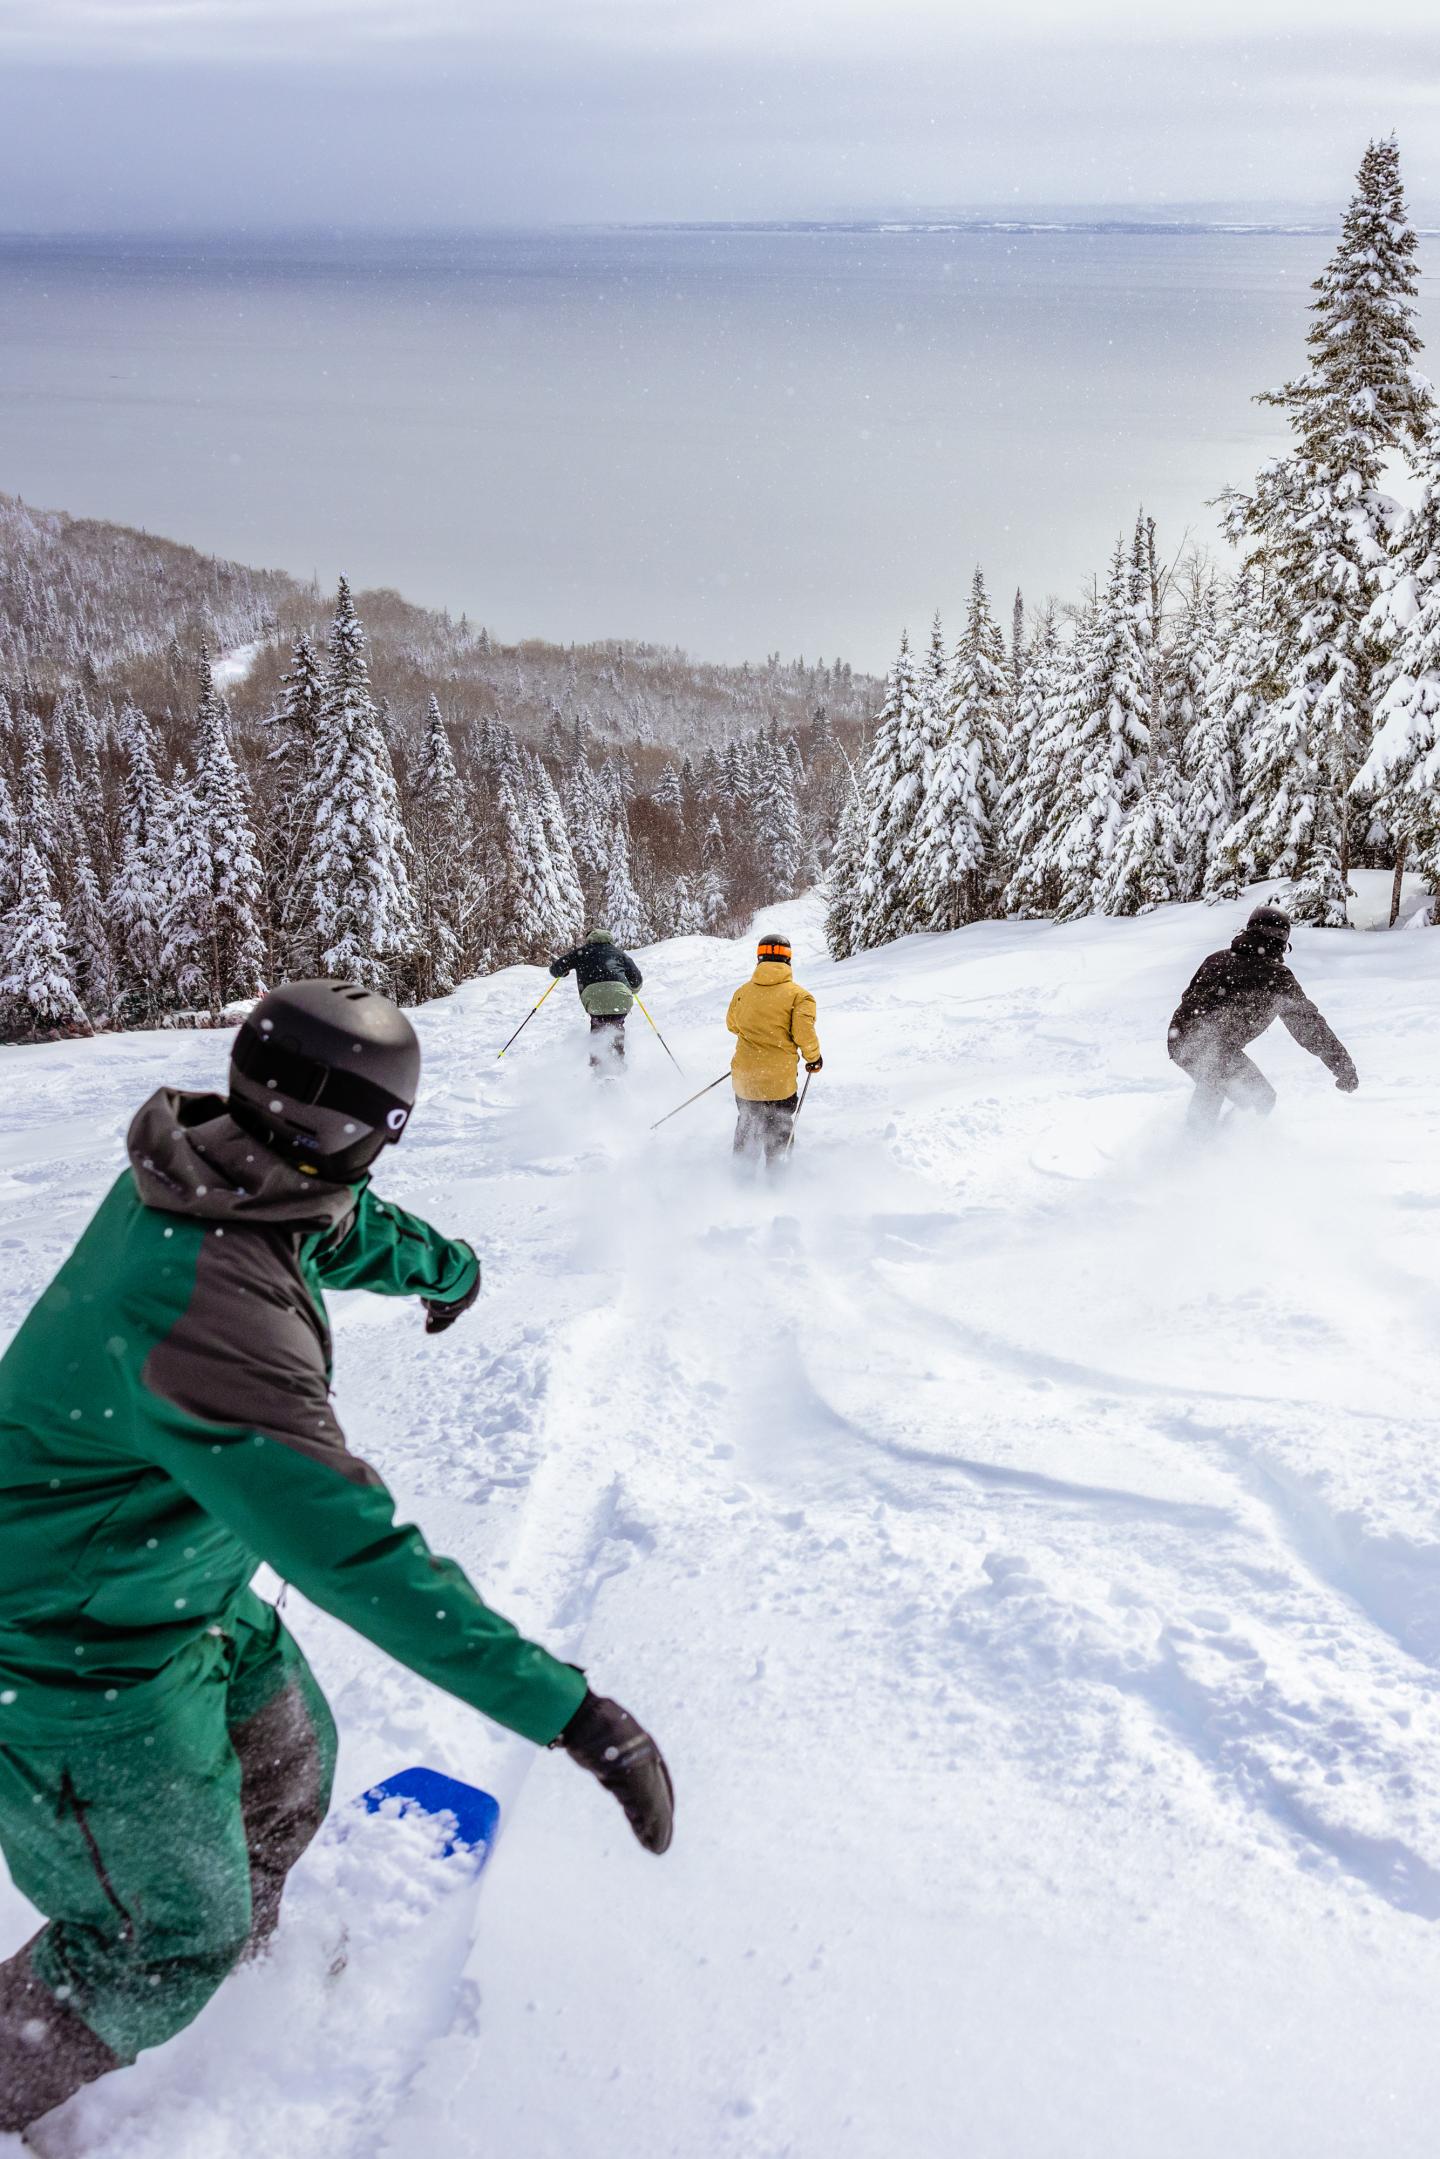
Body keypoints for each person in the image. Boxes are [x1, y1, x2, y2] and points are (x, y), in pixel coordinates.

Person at [0, 980, 673, 2137]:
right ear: (367, 1132)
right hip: (72, 1655)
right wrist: (573, 1712)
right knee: (162, 1939)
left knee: (287, 1773)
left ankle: (235, 1956)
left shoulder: (216, 1162)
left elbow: (336, 1223)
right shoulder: (211, 1316)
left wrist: (444, 1269)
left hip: (170, 1589)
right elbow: (358, 1554)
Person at [1168, 902, 1359, 1132]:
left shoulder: (1217, 959)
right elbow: (1309, 1026)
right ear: (1281, 939)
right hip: (1211, 1046)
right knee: (1260, 1098)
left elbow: (1189, 1000)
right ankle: (1214, 1149)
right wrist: (1342, 1065)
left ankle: (1192, 1144)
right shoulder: (1276, 977)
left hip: (1181, 1041)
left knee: (1214, 1085)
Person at [726, 930, 823, 1167]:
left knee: (747, 1122)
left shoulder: (742, 993)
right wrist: (814, 1058)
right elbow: (803, 1034)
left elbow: (732, 1025)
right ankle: (777, 1181)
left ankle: (740, 1179)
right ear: (788, 959)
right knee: (779, 1127)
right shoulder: (799, 996)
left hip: (746, 1078)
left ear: (759, 959)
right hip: (779, 1081)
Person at [549, 927, 644, 1071]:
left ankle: (598, 1068)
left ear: (589, 939)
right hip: (620, 997)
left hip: (594, 998)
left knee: (598, 1026)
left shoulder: (581, 952)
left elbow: (555, 970)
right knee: (616, 1024)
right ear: (609, 939)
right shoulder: (619, 954)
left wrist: (564, 972)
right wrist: (632, 989)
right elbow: (636, 981)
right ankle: (618, 1063)